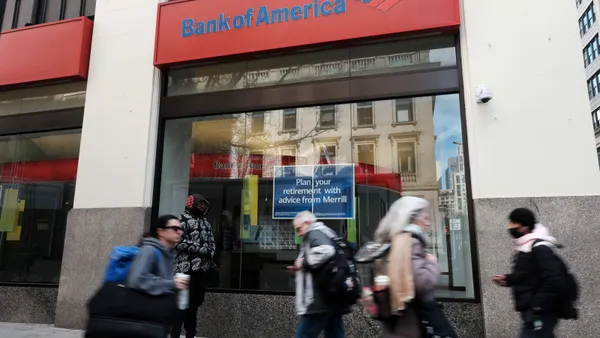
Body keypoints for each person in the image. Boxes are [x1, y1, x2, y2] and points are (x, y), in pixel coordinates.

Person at [373, 196, 441, 338]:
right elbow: (422, 282)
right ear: (413, 219)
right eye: (425, 218)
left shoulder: (392, 239)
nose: (428, 224)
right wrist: (432, 263)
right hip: (411, 319)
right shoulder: (411, 242)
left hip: (394, 318)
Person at [491, 208, 564, 338]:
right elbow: (528, 275)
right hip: (533, 310)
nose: (510, 227)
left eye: (513, 223)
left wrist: (538, 305)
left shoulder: (539, 247)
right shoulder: (525, 247)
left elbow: (554, 279)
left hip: (539, 311)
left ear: (524, 226)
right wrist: (508, 279)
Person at [292, 210, 349, 338]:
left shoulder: (314, 232)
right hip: (332, 296)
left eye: (299, 229)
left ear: (307, 223)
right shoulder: (327, 232)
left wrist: (304, 262)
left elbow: (326, 250)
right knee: (335, 333)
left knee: (305, 334)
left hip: (318, 298)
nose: (299, 233)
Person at [171, 194, 216, 338]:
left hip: (200, 271)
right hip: (184, 272)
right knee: (181, 307)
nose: (202, 208)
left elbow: (212, 244)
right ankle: (175, 335)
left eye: (204, 206)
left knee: (194, 306)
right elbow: (177, 241)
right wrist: (200, 248)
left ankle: (191, 334)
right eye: (199, 205)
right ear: (192, 204)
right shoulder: (181, 219)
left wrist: (210, 251)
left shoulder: (206, 223)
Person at [127, 214, 189, 295]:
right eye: (175, 229)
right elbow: (137, 280)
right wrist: (172, 284)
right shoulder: (149, 250)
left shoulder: (169, 252)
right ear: (160, 231)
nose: (180, 232)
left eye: (181, 229)